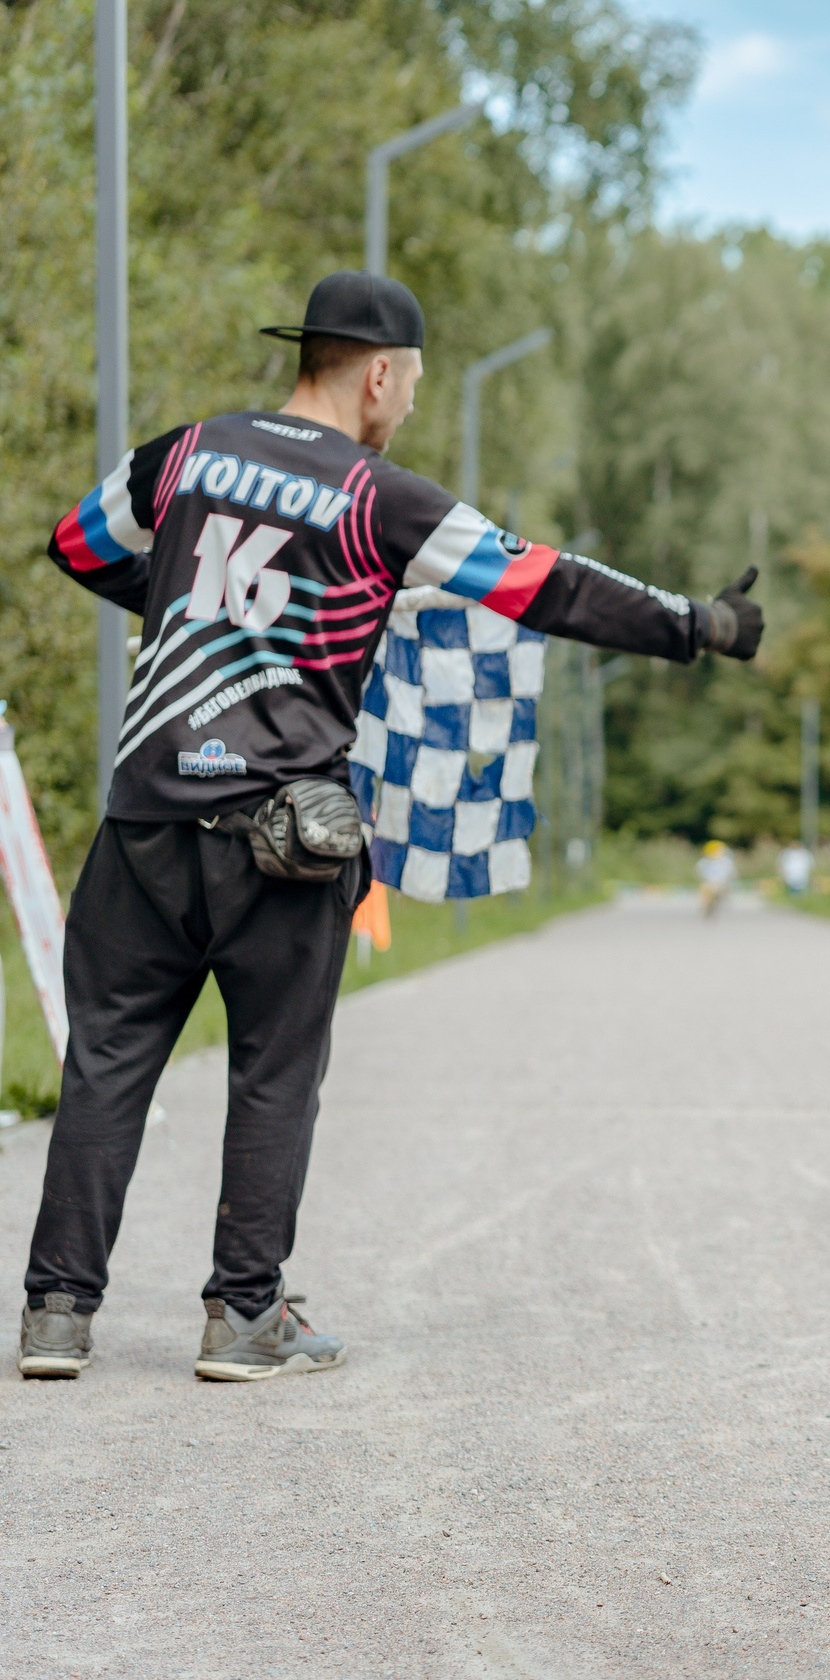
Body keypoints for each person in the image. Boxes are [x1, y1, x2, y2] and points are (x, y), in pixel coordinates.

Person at [19, 272, 764, 1381]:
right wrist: (692, 624)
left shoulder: (181, 454)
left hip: (144, 821)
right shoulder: (379, 496)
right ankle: (244, 1317)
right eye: (411, 386)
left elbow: (76, 546)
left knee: (108, 1062)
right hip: (283, 833)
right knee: (275, 1072)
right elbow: (541, 585)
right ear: (377, 373)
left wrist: (195, 607)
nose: (409, 405)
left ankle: (56, 1316)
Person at [697, 840, 738, 918]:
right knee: (705, 892)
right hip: (710, 882)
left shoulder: (725, 861)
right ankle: (706, 906)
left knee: (719, 891)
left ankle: (716, 902)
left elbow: (731, 873)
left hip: (721, 883)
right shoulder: (705, 861)